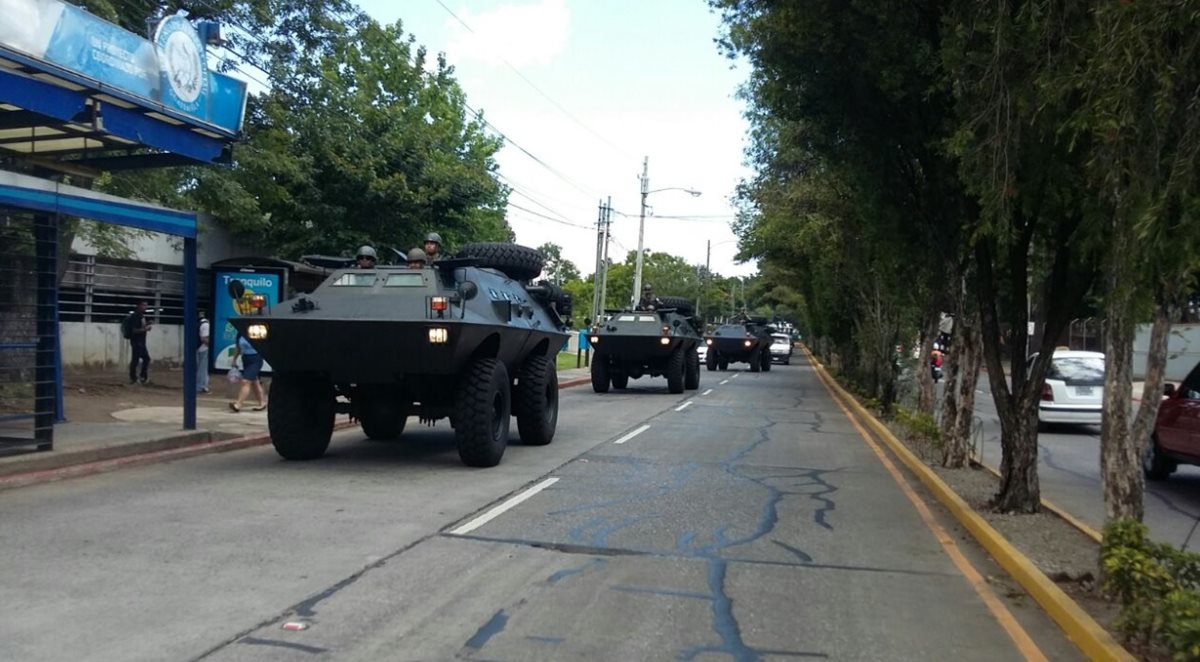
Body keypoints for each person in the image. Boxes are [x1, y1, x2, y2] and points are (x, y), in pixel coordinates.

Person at [229, 333, 266, 412]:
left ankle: (238, 404)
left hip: (256, 358)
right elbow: (238, 347)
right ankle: (262, 402)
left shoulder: (256, 332)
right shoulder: (240, 334)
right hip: (245, 359)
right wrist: (234, 359)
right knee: (254, 382)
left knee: (245, 381)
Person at [124, 300, 152, 385]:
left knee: (144, 359)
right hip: (137, 342)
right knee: (136, 360)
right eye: (143, 305)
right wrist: (145, 329)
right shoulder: (135, 316)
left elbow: (139, 326)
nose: (145, 307)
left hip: (141, 342)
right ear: (138, 306)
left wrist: (146, 324)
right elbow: (135, 330)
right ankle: (135, 378)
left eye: (146, 305)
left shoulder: (141, 316)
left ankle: (141, 377)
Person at [197, 310, 211, 394]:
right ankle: (200, 387)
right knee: (202, 369)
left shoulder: (199, 322)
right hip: (202, 348)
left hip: (197, 347)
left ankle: (201, 386)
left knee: (199, 368)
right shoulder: (206, 324)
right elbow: (204, 338)